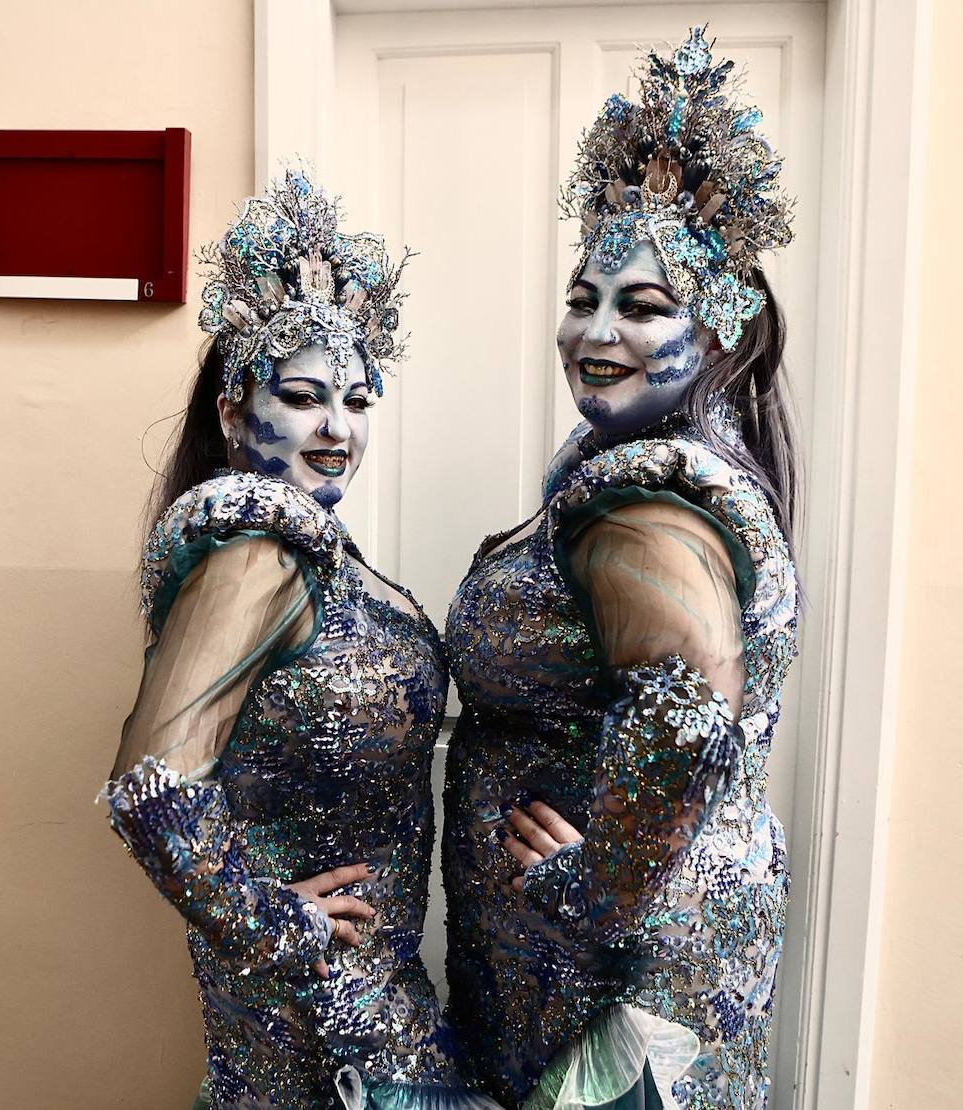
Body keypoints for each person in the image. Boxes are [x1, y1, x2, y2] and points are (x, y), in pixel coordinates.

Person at [441, 28, 801, 1110]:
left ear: (720, 328)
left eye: (642, 307)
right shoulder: (630, 468)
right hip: (602, 973)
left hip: (614, 999)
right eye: (583, 298)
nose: (593, 331)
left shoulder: (643, 493)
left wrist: (590, 895)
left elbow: (687, 712)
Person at [105, 170, 498, 1110]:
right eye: (305, 396)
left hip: (379, 989)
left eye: (358, 401)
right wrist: (275, 921)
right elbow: (147, 788)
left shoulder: (325, 554)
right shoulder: (255, 551)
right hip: (310, 1004)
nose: (338, 429)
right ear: (235, 411)